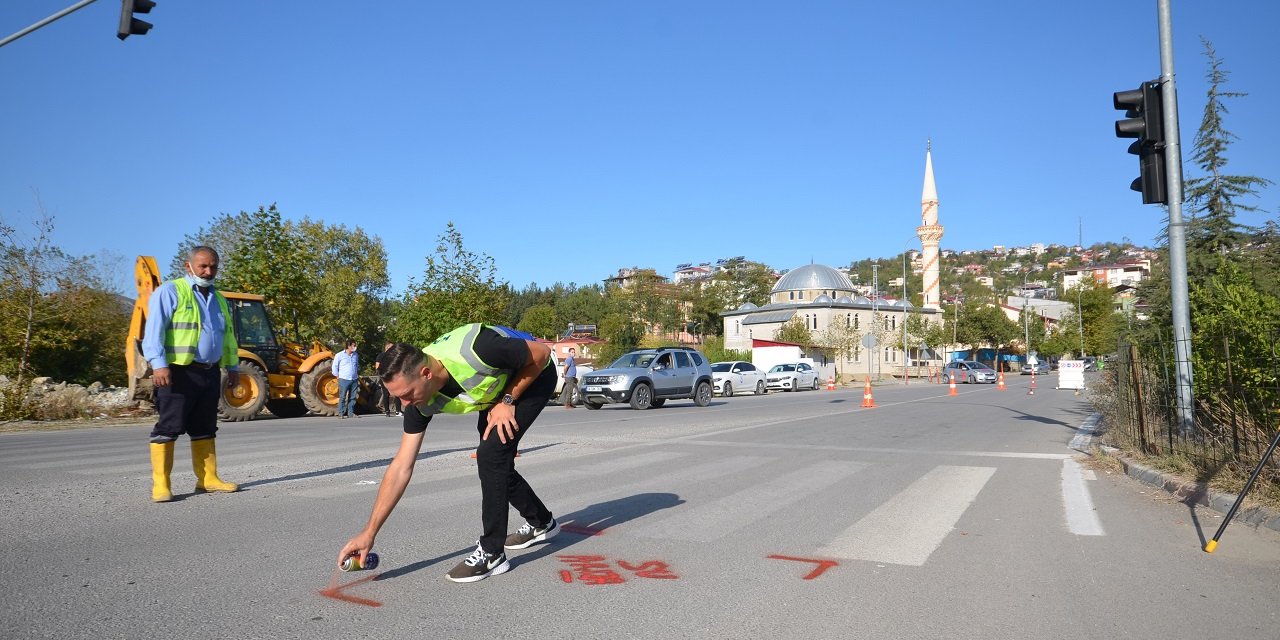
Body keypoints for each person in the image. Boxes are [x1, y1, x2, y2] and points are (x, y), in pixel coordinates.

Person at [338, 324, 560, 583]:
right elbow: (401, 467)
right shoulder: (417, 401)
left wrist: (507, 401)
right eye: (398, 398)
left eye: (408, 395)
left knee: (491, 456)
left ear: (426, 374)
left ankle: (492, 553)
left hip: (533, 376)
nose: (405, 405)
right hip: (495, 391)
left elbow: (542, 353)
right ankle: (541, 522)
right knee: (497, 466)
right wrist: (369, 532)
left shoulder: (479, 349)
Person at [141, 246, 240, 503]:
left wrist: (233, 367)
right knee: (169, 427)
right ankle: (161, 484)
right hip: (177, 372)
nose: (208, 272)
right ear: (189, 267)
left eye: (213, 266)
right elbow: (154, 332)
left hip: (209, 373)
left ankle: (208, 479)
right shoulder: (171, 291)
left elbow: (227, 336)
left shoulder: (218, 298)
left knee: (205, 427)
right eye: (203, 266)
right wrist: (159, 364)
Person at [332, 340, 359, 418]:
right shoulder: (339, 355)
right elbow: (334, 366)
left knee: (353, 397)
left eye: (355, 345)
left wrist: (356, 374)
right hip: (344, 379)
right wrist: (337, 375)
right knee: (343, 397)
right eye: (353, 345)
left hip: (354, 379)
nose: (355, 347)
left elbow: (356, 365)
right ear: (348, 346)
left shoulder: (356, 355)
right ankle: (341, 413)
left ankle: (351, 413)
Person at [375, 342, 402, 417]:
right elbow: (377, 367)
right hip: (385, 377)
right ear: (387, 348)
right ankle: (388, 411)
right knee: (386, 393)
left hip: (393, 376)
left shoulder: (394, 356)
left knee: (396, 393)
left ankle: (397, 411)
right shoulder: (381, 356)